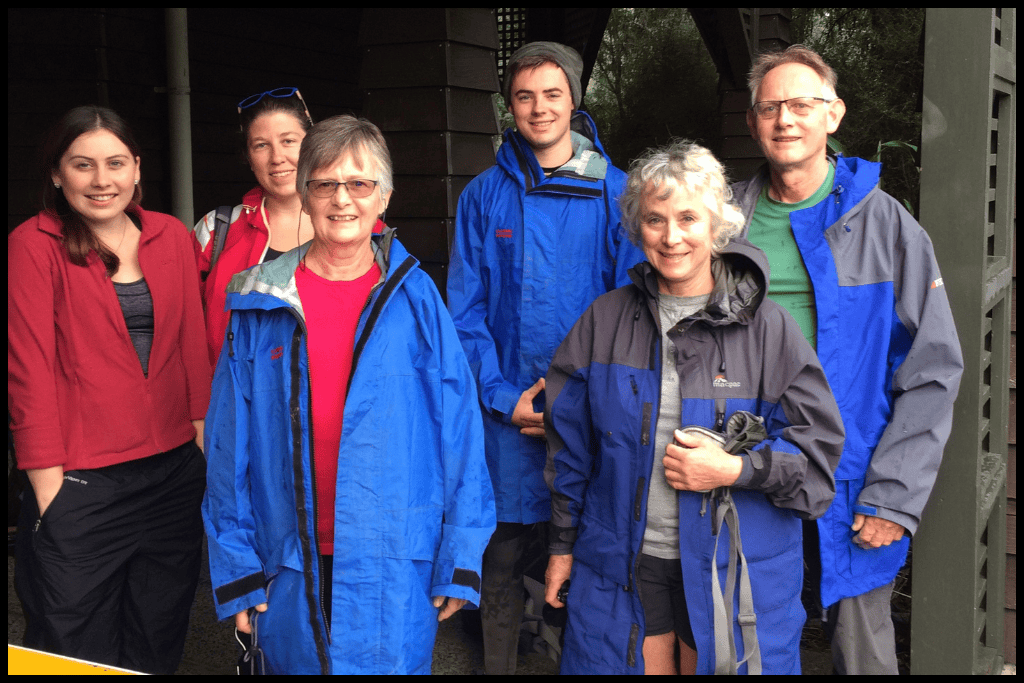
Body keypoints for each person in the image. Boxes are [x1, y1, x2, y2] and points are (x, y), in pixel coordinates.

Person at [202, 115, 497, 674]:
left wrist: (460, 555)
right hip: (286, 560)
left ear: (383, 196)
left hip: (395, 558)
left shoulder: (416, 298)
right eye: (325, 183)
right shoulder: (258, 301)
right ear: (305, 194)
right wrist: (236, 565)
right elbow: (226, 447)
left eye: (359, 184)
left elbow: (459, 433)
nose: (342, 199)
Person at [542, 140, 845, 674]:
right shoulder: (604, 321)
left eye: (688, 217)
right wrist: (562, 547)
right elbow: (570, 451)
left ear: (716, 224)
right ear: (638, 229)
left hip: (734, 562)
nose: (672, 236)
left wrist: (735, 467)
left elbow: (817, 455)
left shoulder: (768, 328)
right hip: (627, 561)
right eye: (655, 220)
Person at [736, 45, 964, 674]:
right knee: (744, 639)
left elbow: (933, 368)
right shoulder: (723, 222)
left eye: (803, 104)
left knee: (860, 649)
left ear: (833, 115)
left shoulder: (889, 226)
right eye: (772, 106)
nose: (786, 118)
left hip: (855, 470)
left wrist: (893, 496)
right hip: (747, 464)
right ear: (754, 121)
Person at [446, 41, 645, 674]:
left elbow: (630, 314)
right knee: (500, 558)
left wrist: (574, 403)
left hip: (587, 416)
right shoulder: (482, 196)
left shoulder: (617, 194)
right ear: (510, 106)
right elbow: (464, 312)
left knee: (585, 557)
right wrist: (506, 398)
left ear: (574, 100)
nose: (539, 108)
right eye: (525, 96)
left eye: (552, 94)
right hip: (505, 416)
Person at [8, 106, 210, 674]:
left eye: (115, 163)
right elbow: (28, 371)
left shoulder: (170, 235)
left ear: (136, 168)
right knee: (70, 650)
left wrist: (199, 446)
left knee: (158, 635)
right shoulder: (32, 245)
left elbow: (192, 347)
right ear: (56, 174)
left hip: (171, 477)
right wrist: (51, 491)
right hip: (81, 482)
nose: (102, 181)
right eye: (83, 165)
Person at [191, 87, 382, 367]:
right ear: (248, 156)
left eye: (288, 140)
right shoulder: (216, 230)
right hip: (234, 400)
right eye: (261, 145)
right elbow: (183, 329)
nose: (277, 157)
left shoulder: (358, 226)